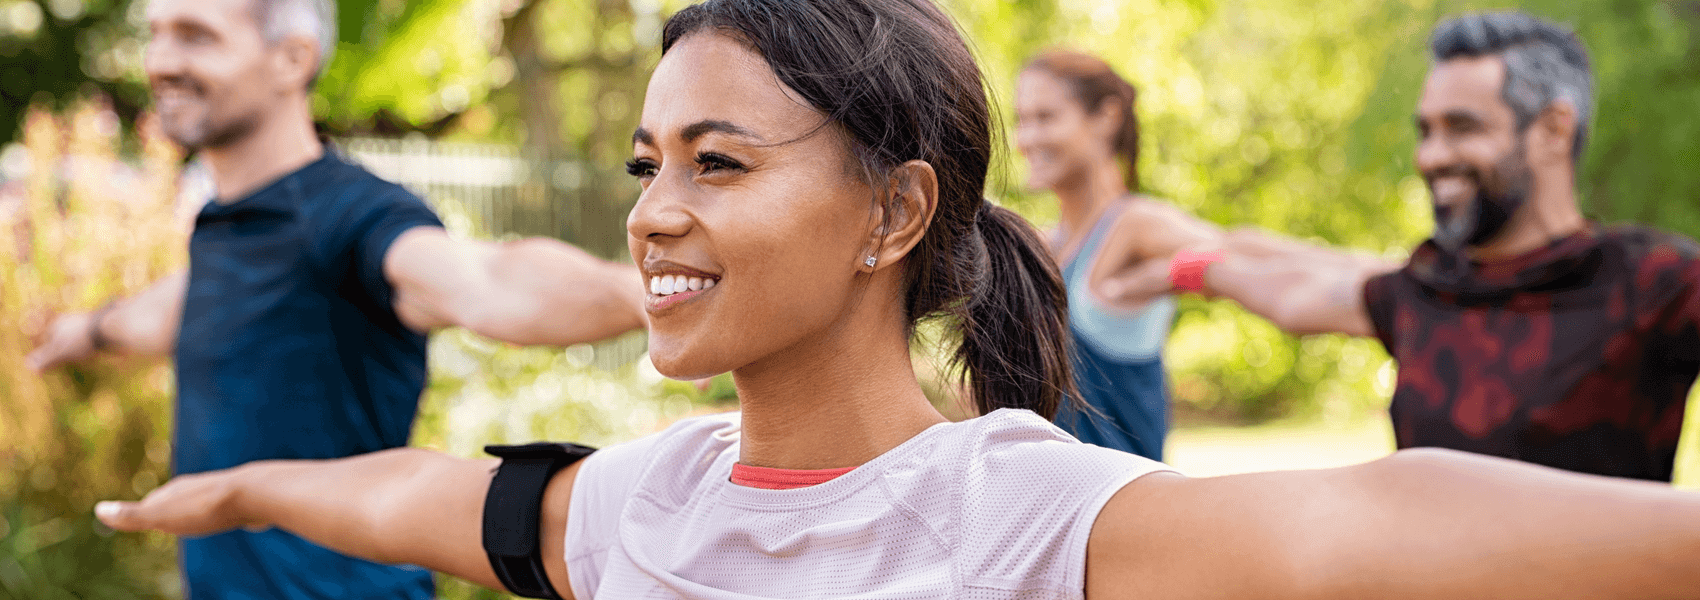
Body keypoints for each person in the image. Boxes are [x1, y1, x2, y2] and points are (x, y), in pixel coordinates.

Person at [93, 1, 1700, 599]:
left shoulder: (1021, 516)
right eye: (650, 161)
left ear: (895, 210)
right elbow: (409, 499)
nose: (656, 211)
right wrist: (242, 486)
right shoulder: (631, 511)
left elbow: (1367, 522)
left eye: (719, 161)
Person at [25, 0, 645, 598]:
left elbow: (489, 280)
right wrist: (84, 331)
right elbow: (179, 309)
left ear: (292, 58)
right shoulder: (225, 226)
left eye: (195, 35)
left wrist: (647, 296)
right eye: (155, 33)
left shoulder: (350, 216)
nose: (159, 60)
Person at [1096, 11, 1700, 483]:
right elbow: (1302, 288)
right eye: (1426, 130)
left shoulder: (1654, 282)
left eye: (1463, 127)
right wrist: (1182, 265)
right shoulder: (1428, 287)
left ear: (1553, 130)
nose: (1431, 157)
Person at [1014, 50, 1220, 459]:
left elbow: (1235, 257)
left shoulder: (1135, 225)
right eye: (1021, 121)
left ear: (1106, 117)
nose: (1026, 139)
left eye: (1046, 118)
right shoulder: (1042, 246)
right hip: (1047, 511)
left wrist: (1172, 276)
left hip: (1123, 512)